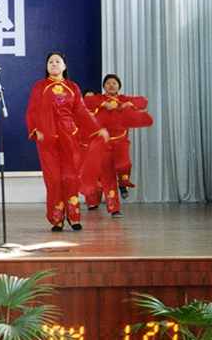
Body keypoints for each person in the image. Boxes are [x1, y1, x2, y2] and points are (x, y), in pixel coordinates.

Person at [25, 52, 107, 232]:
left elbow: (82, 111)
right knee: (54, 181)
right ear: (47, 67)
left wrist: (98, 128)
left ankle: (74, 216)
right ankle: (57, 219)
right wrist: (36, 130)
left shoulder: (72, 87)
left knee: (70, 178)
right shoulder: (40, 86)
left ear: (64, 66)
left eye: (57, 61)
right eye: (50, 62)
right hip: (48, 140)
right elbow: (32, 110)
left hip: (69, 137)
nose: (54, 64)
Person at [83, 74, 153, 217]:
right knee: (107, 176)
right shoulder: (100, 99)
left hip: (121, 140)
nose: (111, 85)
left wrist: (129, 104)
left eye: (114, 83)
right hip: (104, 142)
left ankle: (123, 183)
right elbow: (87, 100)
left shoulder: (123, 99)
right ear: (104, 86)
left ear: (119, 86)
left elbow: (143, 100)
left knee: (124, 164)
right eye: (108, 83)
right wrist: (104, 104)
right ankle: (114, 209)